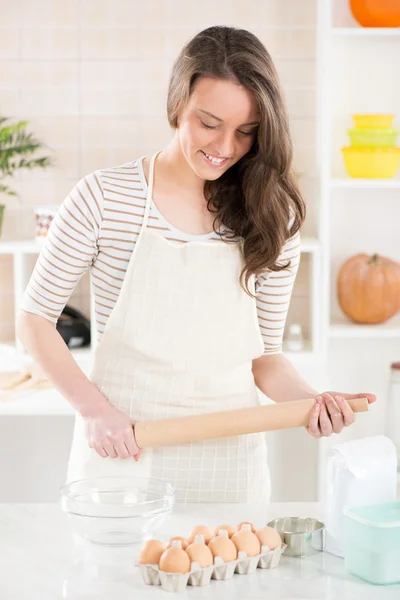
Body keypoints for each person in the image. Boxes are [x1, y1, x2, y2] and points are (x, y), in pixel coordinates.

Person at [17, 26, 376, 503]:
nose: (226, 147)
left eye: (246, 132)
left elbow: (266, 360)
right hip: (124, 451)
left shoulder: (271, 216)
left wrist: (314, 403)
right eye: (209, 122)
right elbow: (34, 320)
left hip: (229, 469)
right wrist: (94, 412)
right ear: (177, 103)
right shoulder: (103, 198)